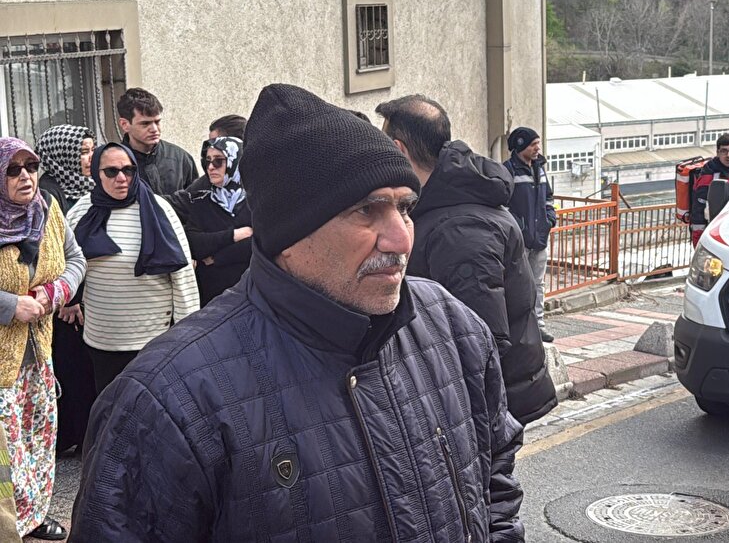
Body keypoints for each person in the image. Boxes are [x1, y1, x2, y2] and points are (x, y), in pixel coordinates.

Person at [71, 84, 525, 541]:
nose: (403, 238)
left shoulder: (453, 327)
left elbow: (495, 484)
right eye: (368, 209)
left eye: (405, 207)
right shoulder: (164, 404)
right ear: (291, 233)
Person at [378, 95, 558, 425]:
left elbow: (478, 343)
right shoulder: (449, 202)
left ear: (399, 150)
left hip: (481, 409)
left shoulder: (460, 229)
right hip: (486, 398)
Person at [0, 139, 86, 540]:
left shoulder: (48, 209)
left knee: (38, 435)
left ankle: (32, 516)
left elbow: (76, 260)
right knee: (6, 448)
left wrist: (54, 294)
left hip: (40, 348)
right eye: (13, 170)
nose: (25, 177)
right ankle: (7, 523)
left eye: (30, 166)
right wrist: (9, 305)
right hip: (3, 358)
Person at [64, 143, 199, 394]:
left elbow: (183, 276)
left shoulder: (159, 209)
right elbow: (68, 263)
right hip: (102, 341)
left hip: (153, 341)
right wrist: (69, 299)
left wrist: (187, 332)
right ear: (96, 173)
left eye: (128, 170)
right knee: (110, 413)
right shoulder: (81, 212)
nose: (122, 178)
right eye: (112, 172)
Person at [33, 125, 98, 458]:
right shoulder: (48, 192)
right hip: (58, 304)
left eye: (90, 150)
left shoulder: (86, 186)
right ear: (62, 155)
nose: (88, 158)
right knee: (68, 369)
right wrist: (68, 299)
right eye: (82, 152)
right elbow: (53, 251)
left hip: (77, 293)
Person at [184, 137, 252, 306]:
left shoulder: (255, 202)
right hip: (210, 297)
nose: (211, 167)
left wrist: (217, 257)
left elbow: (260, 244)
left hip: (248, 294)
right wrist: (234, 235)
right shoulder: (200, 201)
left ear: (235, 162)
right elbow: (194, 244)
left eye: (219, 161)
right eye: (208, 162)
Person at [503, 127, 556, 343]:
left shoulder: (540, 169)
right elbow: (502, 204)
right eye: (533, 144)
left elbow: (548, 198)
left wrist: (549, 219)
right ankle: (518, 327)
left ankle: (539, 326)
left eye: (538, 143)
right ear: (521, 145)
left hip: (540, 238)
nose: (538, 148)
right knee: (517, 284)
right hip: (520, 240)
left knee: (538, 284)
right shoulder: (508, 171)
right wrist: (517, 227)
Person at [116, 87, 199, 196]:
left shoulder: (181, 158)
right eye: (145, 124)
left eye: (157, 122)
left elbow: (195, 202)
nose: (154, 129)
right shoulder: (113, 163)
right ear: (124, 125)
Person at [166, 114, 248, 221]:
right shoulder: (209, 184)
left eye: (216, 143)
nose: (210, 148)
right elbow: (178, 204)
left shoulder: (265, 185)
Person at [690, 134, 729, 245]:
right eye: (724, 151)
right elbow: (698, 210)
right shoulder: (709, 175)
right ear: (718, 153)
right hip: (713, 230)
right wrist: (698, 240)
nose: (728, 155)